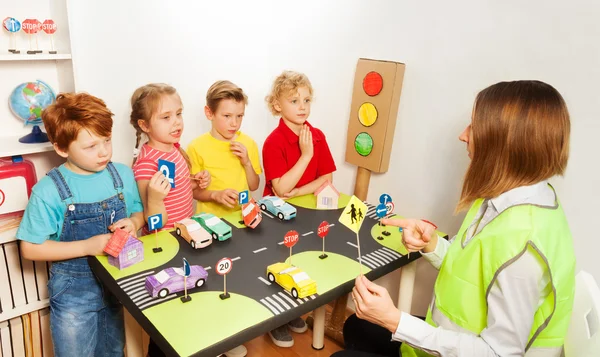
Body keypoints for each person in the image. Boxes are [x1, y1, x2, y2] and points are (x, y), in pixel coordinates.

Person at [332, 80, 575, 357]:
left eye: (474, 127)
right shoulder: (500, 200)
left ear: (504, 144)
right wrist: (432, 244)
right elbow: (473, 270)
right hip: (453, 336)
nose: (463, 135)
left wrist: (394, 320)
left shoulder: (524, 244)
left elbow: (499, 353)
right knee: (357, 326)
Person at [17, 92, 145, 357]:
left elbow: (138, 212)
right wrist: (89, 245)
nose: (103, 152)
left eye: (106, 140)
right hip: (74, 293)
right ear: (62, 148)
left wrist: (133, 223)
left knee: (113, 351)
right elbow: (30, 249)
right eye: (90, 147)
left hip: (116, 285)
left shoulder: (121, 174)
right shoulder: (49, 190)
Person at [129, 83, 211, 357]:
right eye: (165, 117)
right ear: (144, 125)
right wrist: (154, 197)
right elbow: (150, 222)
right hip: (165, 246)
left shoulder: (174, 149)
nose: (176, 122)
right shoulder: (146, 164)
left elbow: (177, 189)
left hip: (186, 237)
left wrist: (194, 181)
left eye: (178, 113)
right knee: (169, 321)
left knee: (191, 305)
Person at [186, 80, 262, 357]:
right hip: (211, 226)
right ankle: (214, 338)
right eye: (227, 116)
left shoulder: (249, 143)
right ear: (209, 113)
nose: (234, 123)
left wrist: (246, 163)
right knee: (213, 282)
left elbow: (254, 185)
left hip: (244, 224)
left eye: (239, 116)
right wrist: (215, 195)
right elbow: (194, 191)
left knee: (239, 280)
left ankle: (231, 335)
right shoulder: (196, 147)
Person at [262, 70, 337, 347]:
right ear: (277, 105)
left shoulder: (317, 135)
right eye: (294, 101)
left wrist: (299, 191)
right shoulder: (273, 142)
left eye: (307, 100)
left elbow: (327, 178)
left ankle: (293, 311)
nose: (302, 106)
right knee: (281, 265)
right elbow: (281, 190)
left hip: (309, 213)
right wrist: (306, 157)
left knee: (301, 263)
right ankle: (276, 320)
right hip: (278, 218)